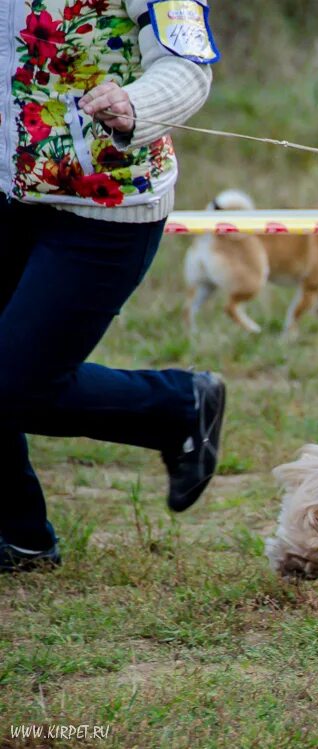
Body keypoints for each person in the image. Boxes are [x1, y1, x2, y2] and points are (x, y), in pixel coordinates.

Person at [1, 0, 223, 572]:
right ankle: (19, 534)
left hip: (104, 204)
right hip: (6, 193)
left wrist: (136, 104)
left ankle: (179, 406)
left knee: (15, 384)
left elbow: (187, 65)